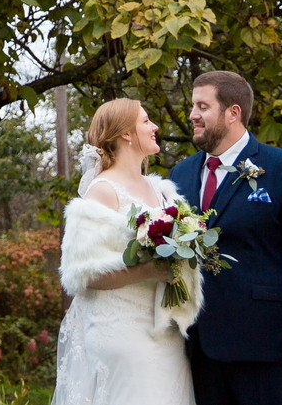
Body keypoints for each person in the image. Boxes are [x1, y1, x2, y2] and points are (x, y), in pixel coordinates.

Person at [170, 71, 282, 405]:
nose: (192, 115)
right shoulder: (181, 173)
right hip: (198, 345)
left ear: (233, 113)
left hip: (266, 342)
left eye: (202, 106)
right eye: (192, 106)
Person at [51, 98, 202, 405]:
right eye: (146, 121)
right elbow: (82, 275)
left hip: (164, 331)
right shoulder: (102, 190)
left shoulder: (162, 190)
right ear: (126, 134)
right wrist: (147, 269)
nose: (155, 127)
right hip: (120, 332)